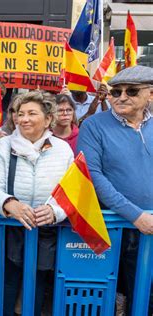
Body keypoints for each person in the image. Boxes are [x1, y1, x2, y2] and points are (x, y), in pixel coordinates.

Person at [0, 90, 74, 316]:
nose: (23, 119)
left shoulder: (62, 149)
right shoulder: (4, 146)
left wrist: (55, 212)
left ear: (48, 118)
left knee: (37, 283)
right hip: (11, 229)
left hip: (46, 231)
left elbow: (71, 192)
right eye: (20, 113)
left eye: (31, 113)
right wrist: (8, 203)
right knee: (8, 280)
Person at [77, 65, 153, 315]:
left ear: (150, 95)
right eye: (115, 91)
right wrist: (136, 216)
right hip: (120, 227)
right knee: (123, 294)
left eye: (131, 91)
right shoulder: (93, 125)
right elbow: (94, 177)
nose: (121, 97)